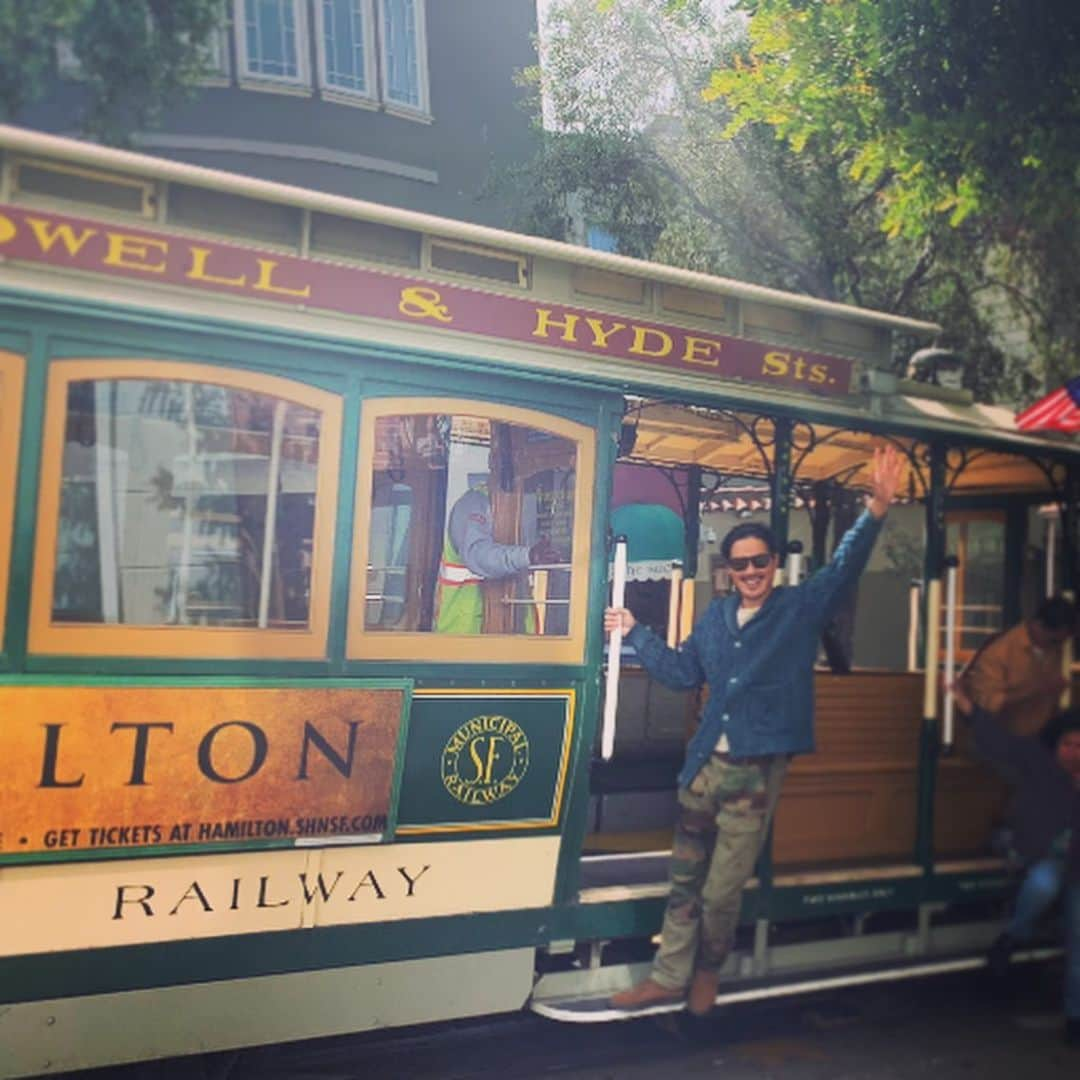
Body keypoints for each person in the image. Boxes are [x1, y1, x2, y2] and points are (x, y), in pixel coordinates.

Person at [604, 445, 903, 1015]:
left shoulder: (797, 609)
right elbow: (680, 672)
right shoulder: (715, 617)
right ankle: (668, 977)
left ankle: (707, 974)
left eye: (759, 563)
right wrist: (636, 631)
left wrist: (877, 510)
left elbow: (842, 571)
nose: (749, 573)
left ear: (773, 564)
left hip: (752, 773)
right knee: (684, 882)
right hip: (702, 771)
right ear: (727, 570)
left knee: (719, 894)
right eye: (739, 565)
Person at [951, 681, 1080, 1047]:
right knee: (1043, 884)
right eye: (1068, 744)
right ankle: (1012, 939)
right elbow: (1001, 743)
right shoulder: (1039, 764)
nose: (1074, 752)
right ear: (1055, 746)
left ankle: (1075, 1018)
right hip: (1045, 856)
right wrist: (967, 707)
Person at [435, 481, 562, 634]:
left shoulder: (520, 502)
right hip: (464, 638)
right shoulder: (474, 503)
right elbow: (478, 555)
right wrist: (527, 556)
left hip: (514, 639)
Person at [965, 595, 1076, 737]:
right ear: (1039, 626)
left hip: (1041, 740)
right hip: (1001, 743)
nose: (1058, 646)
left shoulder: (1053, 650)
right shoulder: (998, 653)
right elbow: (990, 705)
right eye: (1054, 641)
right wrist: (1037, 691)